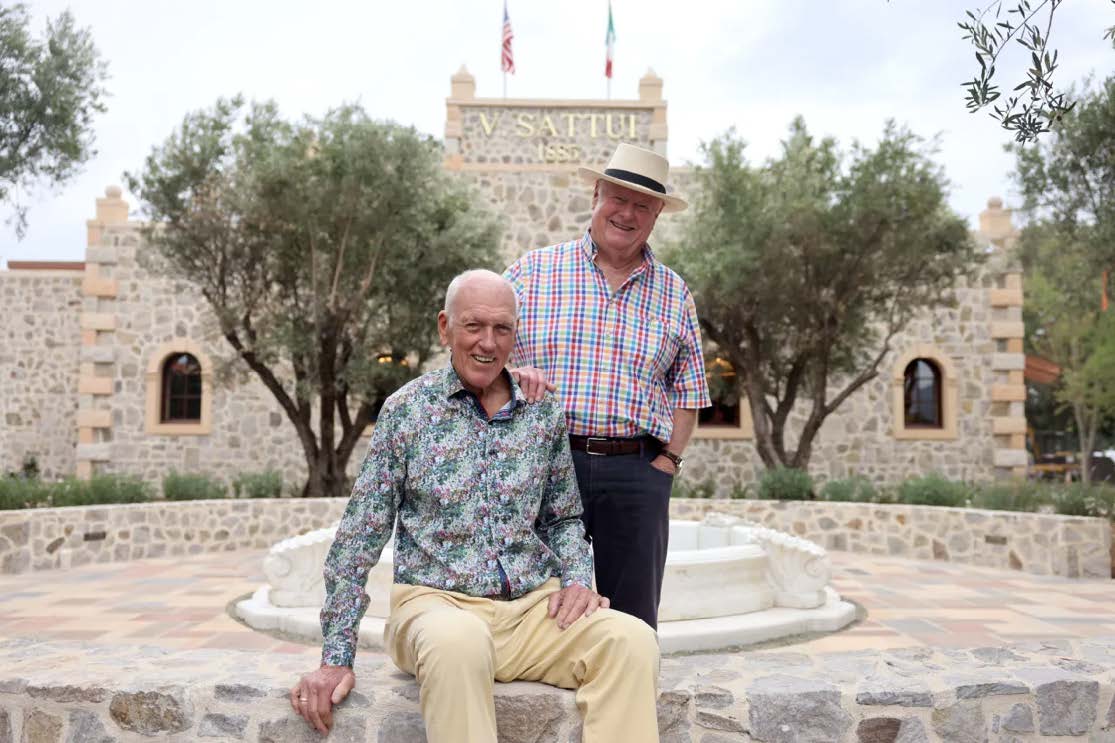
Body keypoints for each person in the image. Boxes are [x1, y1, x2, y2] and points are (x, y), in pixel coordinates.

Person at [291, 270, 660, 743]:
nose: (488, 342)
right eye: (474, 326)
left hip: (533, 612)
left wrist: (577, 579)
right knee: (459, 643)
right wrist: (335, 658)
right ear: (445, 328)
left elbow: (563, 517)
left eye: (502, 328)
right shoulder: (407, 411)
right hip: (436, 608)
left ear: (515, 335)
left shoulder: (541, 412)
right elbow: (359, 537)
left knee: (632, 641)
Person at [506, 142, 711, 630]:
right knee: (537, 608)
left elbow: (689, 390)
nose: (627, 213)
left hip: (637, 472)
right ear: (596, 195)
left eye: (643, 205)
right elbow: (485, 355)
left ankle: (629, 680)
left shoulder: (674, 292)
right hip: (545, 464)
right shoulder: (532, 272)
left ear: (657, 216)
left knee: (633, 619)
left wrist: (667, 463)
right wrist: (513, 378)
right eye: (618, 198)